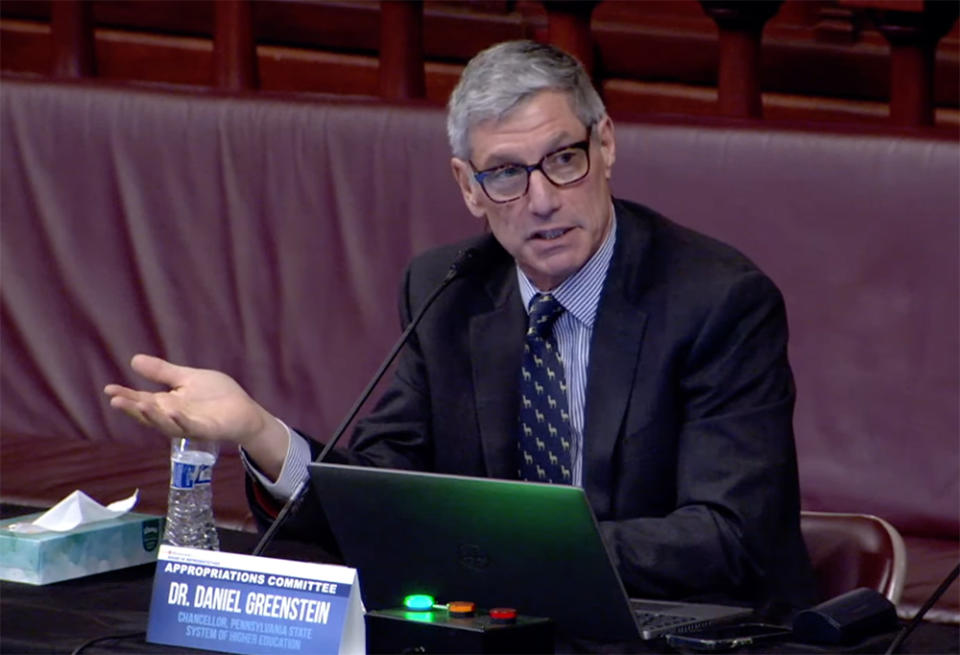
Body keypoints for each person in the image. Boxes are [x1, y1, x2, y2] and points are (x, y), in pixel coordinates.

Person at [105, 40, 816, 615]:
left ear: (605, 146)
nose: (541, 200)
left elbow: (730, 539)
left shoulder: (719, 301)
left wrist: (509, 550)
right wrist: (261, 430)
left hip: (671, 626)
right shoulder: (446, 289)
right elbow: (383, 494)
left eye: (563, 160)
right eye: (505, 174)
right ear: (468, 186)